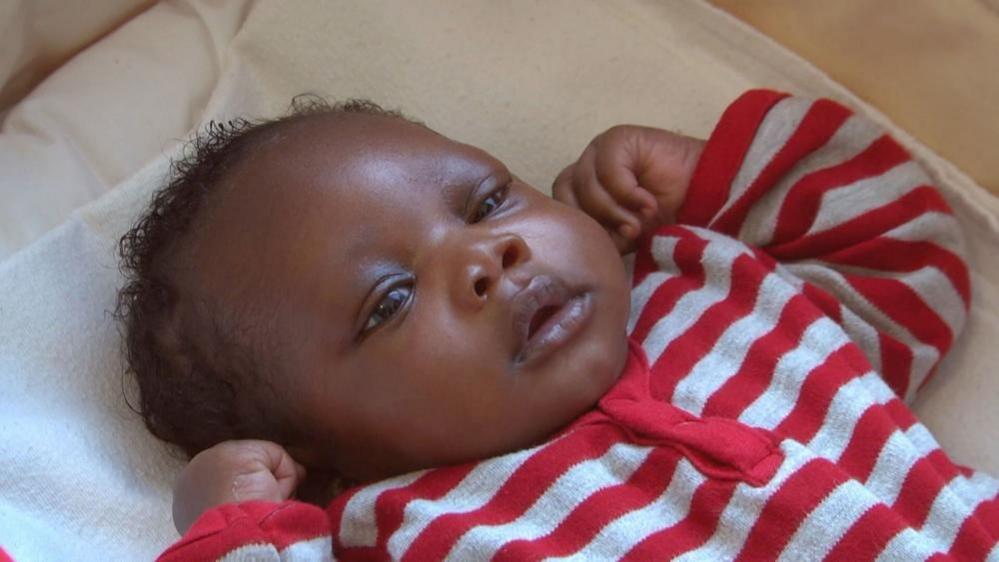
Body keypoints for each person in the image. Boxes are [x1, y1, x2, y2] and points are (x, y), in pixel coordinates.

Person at [116, 90, 997, 561]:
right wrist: (235, 532)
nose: (486, 255)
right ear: (315, 455)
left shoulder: (707, 283)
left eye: (486, 200)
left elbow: (907, 258)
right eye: (387, 302)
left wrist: (706, 179)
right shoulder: (410, 526)